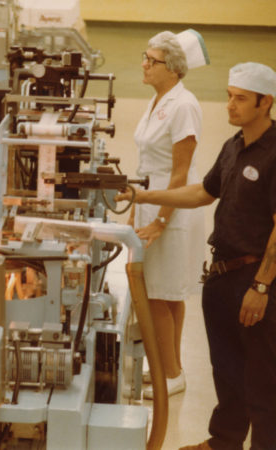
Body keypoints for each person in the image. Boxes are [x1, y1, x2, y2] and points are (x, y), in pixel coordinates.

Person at [116, 62, 276, 450]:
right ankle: (224, 440)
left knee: (261, 377)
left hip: (255, 277)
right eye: (228, 96)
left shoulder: (274, 153)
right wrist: (144, 195)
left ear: (265, 102)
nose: (230, 106)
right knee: (226, 369)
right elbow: (203, 192)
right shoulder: (234, 146)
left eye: (240, 99)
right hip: (221, 274)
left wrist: (261, 285)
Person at [132, 30, 207, 399]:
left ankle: (172, 373)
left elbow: (180, 173)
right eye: (144, 57)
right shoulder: (160, 99)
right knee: (170, 293)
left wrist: (161, 220)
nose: (144, 64)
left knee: (157, 294)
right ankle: (168, 367)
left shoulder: (183, 104)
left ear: (174, 69)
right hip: (154, 202)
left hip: (171, 209)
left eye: (152, 60)